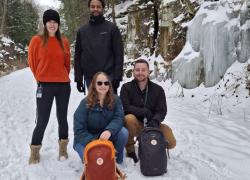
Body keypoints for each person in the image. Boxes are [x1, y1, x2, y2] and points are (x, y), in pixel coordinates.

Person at [28, 9, 71, 164]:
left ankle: (63, 148)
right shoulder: (36, 40)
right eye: (49, 21)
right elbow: (32, 63)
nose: (52, 24)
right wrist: (41, 77)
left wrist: (61, 77)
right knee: (42, 120)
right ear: (45, 23)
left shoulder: (64, 41)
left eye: (55, 22)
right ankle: (34, 151)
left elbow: (67, 65)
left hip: (63, 86)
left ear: (58, 24)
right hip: (44, 86)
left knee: (62, 118)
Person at [120, 59, 176, 163]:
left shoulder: (158, 90)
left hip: (152, 124)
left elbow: (162, 111)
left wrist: (155, 121)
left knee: (171, 142)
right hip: (135, 125)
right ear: (133, 72)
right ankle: (130, 150)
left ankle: (151, 145)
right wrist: (144, 111)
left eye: (143, 70)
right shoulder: (126, 88)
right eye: (137, 70)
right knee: (128, 119)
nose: (140, 72)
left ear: (148, 72)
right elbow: (126, 107)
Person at [73, 72, 128, 164]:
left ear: (109, 85)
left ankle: (116, 159)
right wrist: (95, 143)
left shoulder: (116, 100)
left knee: (123, 132)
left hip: (107, 137)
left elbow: (119, 118)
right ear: (94, 84)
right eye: (99, 83)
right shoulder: (85, 103)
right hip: (87, 139)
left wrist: (109, 130)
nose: (103, 86)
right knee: (93, 161)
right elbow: (79, 130)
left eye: (106, 83)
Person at [74, 0, 124, 94]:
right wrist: (78, 78)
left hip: (109, 77)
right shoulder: (82, 31)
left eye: (98, 7)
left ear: (102, 8)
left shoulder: (112, 28)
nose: (95, 9)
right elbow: (78, 56)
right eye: (93, 7)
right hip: (90, 78)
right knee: (93, 107)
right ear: (89, 8)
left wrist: (117, 77)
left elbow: (119, 53)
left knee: (110, 107)